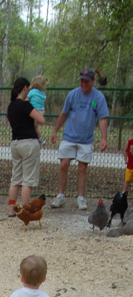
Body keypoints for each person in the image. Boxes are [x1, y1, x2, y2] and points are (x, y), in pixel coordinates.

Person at [50, 68, 109, 211]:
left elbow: (102, 118)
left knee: (82, 167)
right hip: (69, 136)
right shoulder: (73, 94)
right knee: (64, 164)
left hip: (86, 139)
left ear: (93, 81)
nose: (83, 84)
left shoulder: (98, 97)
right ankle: (61, 195)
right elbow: (64, 113)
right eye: (82, 81)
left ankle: (81, 198)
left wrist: (104, 138)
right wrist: (55, 130)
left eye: (86, 81)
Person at [6, 78, 45, 217]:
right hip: (28, 142)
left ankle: (12, 210)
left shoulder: (11, 106)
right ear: (25, 87)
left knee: (15, 179)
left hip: (15, 143)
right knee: (27, 180)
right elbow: (41, 119)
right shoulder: (25, 105)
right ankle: (24, 210)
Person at [27, 76, 47, 144]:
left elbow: (27, 100)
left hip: (35, 110)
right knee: (35, 126)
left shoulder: (32, 92)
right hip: (41, 110)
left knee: (35, 127)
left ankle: (40, 139)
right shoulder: (42, 94)